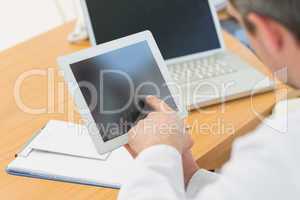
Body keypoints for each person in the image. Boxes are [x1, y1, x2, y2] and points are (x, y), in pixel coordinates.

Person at [118, 0, 300, 199]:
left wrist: (156, 153)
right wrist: (189, 176)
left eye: (236, 22)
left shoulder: (273, 152)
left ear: (270, 34)